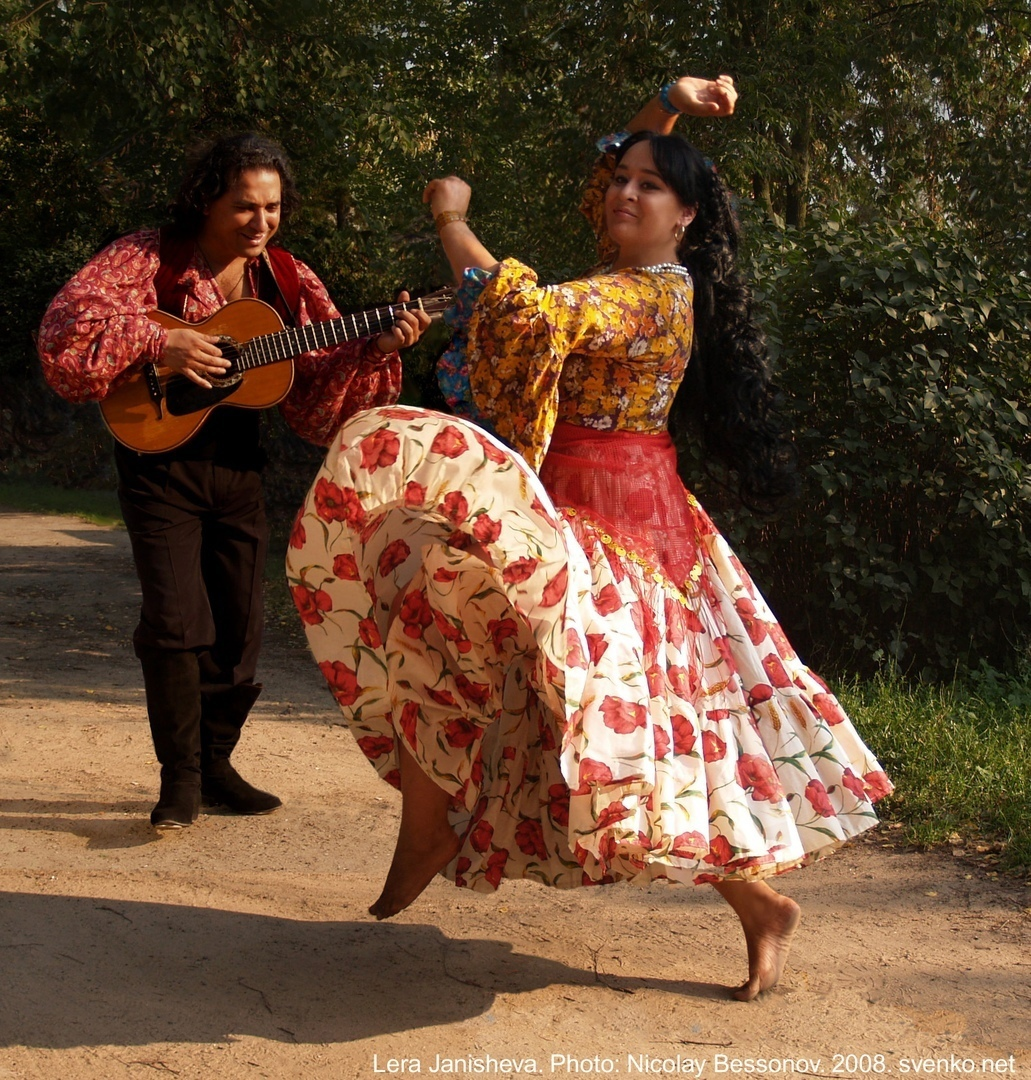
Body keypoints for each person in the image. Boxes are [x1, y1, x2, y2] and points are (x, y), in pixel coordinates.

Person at [286, 77, 892, 1001]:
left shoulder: (651, 297)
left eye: (649, 186)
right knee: (448, 614)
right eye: (622, 180)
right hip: (572, 504)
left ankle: (747, 899)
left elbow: (524, 317)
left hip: (625, 529)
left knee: (607, 714)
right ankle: (432, 819)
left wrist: (453, 222)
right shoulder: (629, 273)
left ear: (686, 215)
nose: (622, 192)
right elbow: (604, 184)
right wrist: (666, 104)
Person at [38, 133, 432, 831]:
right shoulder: (146, 257)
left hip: (237, 464)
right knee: (174, 623)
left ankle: (217, 764)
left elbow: (315, 387)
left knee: (239, 628)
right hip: (158, 461)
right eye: (246, 207)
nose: (262, 223)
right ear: (207, 200)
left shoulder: (284, 278)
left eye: (273, 208)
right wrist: (163, 340)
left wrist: (374, 345)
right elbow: (66, 331)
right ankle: (180, 779)